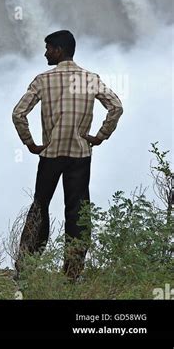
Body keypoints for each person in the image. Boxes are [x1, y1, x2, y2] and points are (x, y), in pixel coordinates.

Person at [12, 30, 123, 280]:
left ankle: (25, 268)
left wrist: (30, 143)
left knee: (40, 208)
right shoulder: (90, 79)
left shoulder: (42, 80)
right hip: (80, 155)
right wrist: (100, 136)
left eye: (48, 48)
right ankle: (72, 272)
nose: (45, 53)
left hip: (50, 154)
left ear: (59, 50)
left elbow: (18, 114)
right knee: (77, 211)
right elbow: (116, 107)